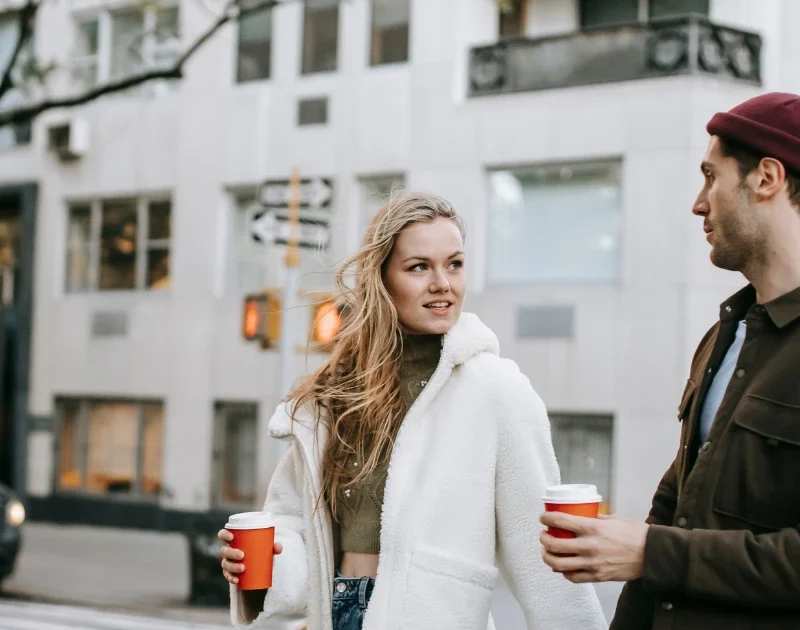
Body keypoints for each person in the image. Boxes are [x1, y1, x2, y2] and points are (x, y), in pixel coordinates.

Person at [219, 192, 607, 629]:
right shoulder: (339, 391)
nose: (443, 283)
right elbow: (295, 524)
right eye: (419, 267)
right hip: (337, 613)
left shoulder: (497, 391)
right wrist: (260, 569)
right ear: (382, 279)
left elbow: (544, 561)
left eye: (454, 264)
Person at [539, 92, 800, 629]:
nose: (699, 202)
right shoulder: (722, 338)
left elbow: (660, 546)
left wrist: (651, 552)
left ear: (766, 178)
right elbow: (672, 510)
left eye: (711, 176)